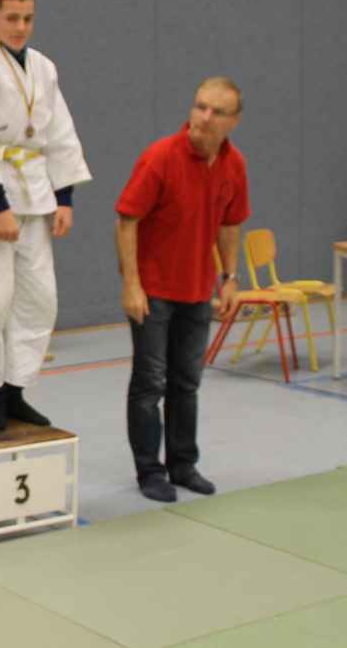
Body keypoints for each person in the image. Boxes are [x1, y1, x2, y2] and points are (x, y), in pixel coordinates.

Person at [0, 0, 92, 432]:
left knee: (39, 299)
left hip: (35, 193)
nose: (20, 27)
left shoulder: (44, 68)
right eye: (11, 18)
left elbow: (61, 132)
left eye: (27, 18)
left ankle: (16, 390)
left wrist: (65, 197)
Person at [115, 77, 249, 502]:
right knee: (149, 383)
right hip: (154, 291)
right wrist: (132, 285)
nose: (204, 117)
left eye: (216, 112)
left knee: (187, 382)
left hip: (197, 290)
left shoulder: (234, 164)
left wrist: (230, 278)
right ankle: (149, 471)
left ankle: (183, 464)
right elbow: (127, 221)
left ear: (233, 121)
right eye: (199, 106)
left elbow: (230, 224)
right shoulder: (160, 157)